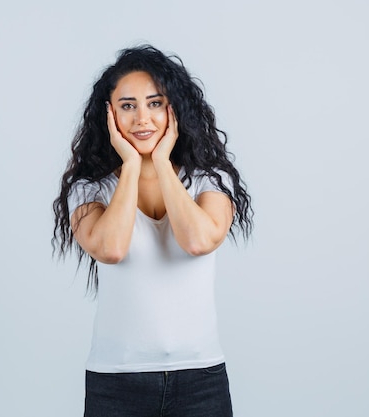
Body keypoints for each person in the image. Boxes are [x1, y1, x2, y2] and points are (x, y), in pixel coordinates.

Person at [52, 44, 253, 417]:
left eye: (155, 103)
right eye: (127, 106)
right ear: (109, 115)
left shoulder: (210, 180)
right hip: (116, 384)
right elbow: (110, 248)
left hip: (201, 380)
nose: (142, 118)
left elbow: (198, 241)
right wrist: (130, 164)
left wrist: (161, 161)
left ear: (174, 109)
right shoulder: (88, 189)